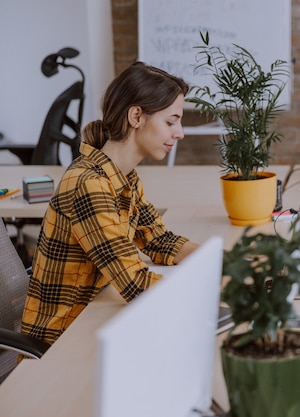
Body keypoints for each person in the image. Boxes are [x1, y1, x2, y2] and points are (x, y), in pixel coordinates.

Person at [21, 62, 200, 345]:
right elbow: (135, 284)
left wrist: (228, 265)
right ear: (136, 116)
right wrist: (217, 286)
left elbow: (160, 241)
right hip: (61, 343)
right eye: (171, 121)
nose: (179, 133)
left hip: (96, 319)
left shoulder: (124, 178)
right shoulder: (88, 184)